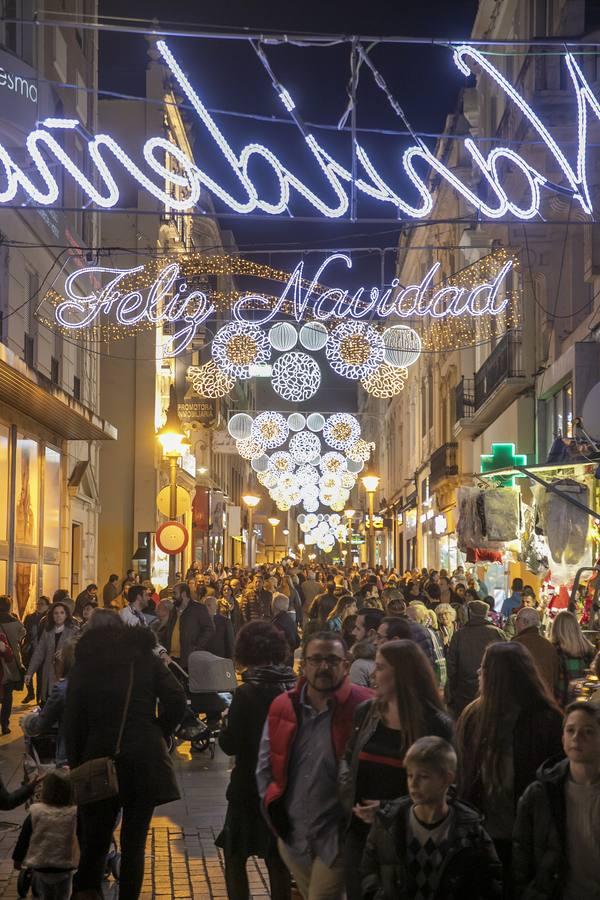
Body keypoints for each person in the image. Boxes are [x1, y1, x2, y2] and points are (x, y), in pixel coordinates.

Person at [65, 609, 186, 900]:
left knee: (94, 842)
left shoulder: (85, 664)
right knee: (134, 843)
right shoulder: (145, 658)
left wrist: (77, 762)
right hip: (142, 760)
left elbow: (73, 721)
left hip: (97, 758)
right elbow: (177, 697)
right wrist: (160, 730)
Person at [257, 632, 372, 900]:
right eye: (316, 659)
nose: (323, 667)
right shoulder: (284, 706)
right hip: (294, 835)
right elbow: (265, 764)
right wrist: (272, 809)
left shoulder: (364, 705)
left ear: (346, 664)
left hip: (338, 835)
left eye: (332, 660)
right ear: (303, 664)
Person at [339, 640, 454, 900]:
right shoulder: (366, 713)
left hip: (410, 839)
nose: (372, 674)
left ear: (402, 673)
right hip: (360, 835)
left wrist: (389, 810)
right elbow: (348, 758)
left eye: (380, 667)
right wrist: (348, 798)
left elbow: (448, 786)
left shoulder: (435, 724)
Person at [456, 642, 563, 871]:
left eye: (484, 668)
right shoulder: (474, 715)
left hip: (528, 834)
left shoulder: (544, 720)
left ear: (498, 675)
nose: (478, 673)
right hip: (483, 831)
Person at [360, 737, 503, 900]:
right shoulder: (389, 823)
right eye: (410, 775)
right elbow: (369, 870)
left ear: (447, 779)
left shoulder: (470, 831)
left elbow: (490, 883)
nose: (413, 784)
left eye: (423, 776)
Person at [216, 622, 296, 900]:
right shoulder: (293, 686)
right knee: (277, 859)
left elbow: (231, 743)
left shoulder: (247, 693)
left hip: (248, 786)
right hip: (284, 785)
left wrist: (225, 724)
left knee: (235, 855)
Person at [513, 702, 600, 900]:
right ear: (562, 738)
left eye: (588, 732)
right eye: (570, 730)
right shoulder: (541, 794)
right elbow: (522, 854)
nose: (577, 738)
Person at [12, 770, 79, 900]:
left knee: (40, 895)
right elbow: (82, 838)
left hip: (40, 866)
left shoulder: (36, 812)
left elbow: (24, 839)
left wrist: (18, 860)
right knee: (63, 895)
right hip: (65, 867)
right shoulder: (75, 814)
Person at [446, 599, 506, 716]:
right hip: (491, 689)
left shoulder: (459, 635)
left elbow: (451, 666)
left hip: (464, 692)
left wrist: (453, 691)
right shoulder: (497, 633)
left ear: (469, 613)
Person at [21, 642, 76, 766]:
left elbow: (40, 724)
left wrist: (27, 720)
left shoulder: (62, 690)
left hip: (68, 755)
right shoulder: (96, 684)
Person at [24, 601, 77, 703]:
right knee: (48, 702)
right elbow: (39, 653)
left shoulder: (74, 631)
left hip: (66, 674)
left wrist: (67, 652)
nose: (59, 616)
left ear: (66, 615)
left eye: (62, 613)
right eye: (56, 613)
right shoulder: (48, 631)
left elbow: (79, 650)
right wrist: (30, 672)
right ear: (52, 615)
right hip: (49, 673)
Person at [158, 582, 214, 671]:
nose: (172, 596)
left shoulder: (198, 608)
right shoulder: (173, 610)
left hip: (188, 660)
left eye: (175, 593)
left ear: (183, 594)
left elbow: (209, 629)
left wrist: (196, 647)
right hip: (171, 659)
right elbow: (167, 630)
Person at [512, 607, 560, 698]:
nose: (515, 623)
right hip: (546, 700)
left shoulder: (516, 645)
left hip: (522, 701)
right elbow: (554, 678)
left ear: (525, 622)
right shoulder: (548, 646)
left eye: (517, 619)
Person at [550, 609, 595, 705]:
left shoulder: (554, 652)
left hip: (562, 706)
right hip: (585, 707)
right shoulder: (589, 651)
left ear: (556, 629)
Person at [0, 596, 25, 732]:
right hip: (11, 661)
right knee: (8, 696)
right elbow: (23, 634)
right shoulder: (15, 622)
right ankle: (4, 724)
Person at [22, 596, 50, 703]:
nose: (39, 606)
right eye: (38, 604)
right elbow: (25, 631)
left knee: (40, 676)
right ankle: (30, 693)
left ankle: (39, 697)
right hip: (30, 648)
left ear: (47, 606)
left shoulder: (49, 618)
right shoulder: (30, 617)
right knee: (27, 671)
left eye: (42, 604)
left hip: (42, 651)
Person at [349, 609, 385, 686]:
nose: (353, 632)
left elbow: (358, 696)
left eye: (358, 628)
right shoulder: (391, 662)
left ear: (371, 633)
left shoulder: (359, 666)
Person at [204, 593, 235, 659]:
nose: (206, 607)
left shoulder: (225, 621)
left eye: (209, 605)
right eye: (205, 605)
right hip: (205, 658)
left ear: (216, 606)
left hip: (220, 658)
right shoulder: (200, 621)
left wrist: (231, 661)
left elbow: (230, 644)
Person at [271, 593, 299, 663]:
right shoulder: (289, 620)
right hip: (289, 659)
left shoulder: (277, 622)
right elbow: (297, 640)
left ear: (275, 605)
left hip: (281, 661)